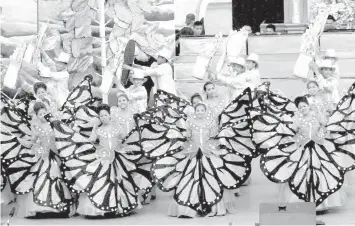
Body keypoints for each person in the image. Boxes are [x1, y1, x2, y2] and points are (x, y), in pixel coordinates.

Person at [74, 104, 146, 218]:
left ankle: (121, 206)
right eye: (101, 116)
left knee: (121, 181)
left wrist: (125, 147)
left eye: (105, 115)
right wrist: (94, 127)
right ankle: (103, 206)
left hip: (117, 158)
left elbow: (124, 137)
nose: (103, 117)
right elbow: (91, 141)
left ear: (109, 115)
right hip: (103, 159)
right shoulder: (98, 129)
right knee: (103, 181)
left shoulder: (117, 127)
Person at [16, 102, 75, 218]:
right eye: (40, 114)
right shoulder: (36, 127)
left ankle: (60, 208)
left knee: (59, 179)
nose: (43, 115)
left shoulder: (54, 124)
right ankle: (42, 208)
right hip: (43, 157)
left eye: (44, 113)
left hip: (56, 156)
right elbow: (32, 142)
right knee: (42, 180)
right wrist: (17, 140)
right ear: (37, 116)